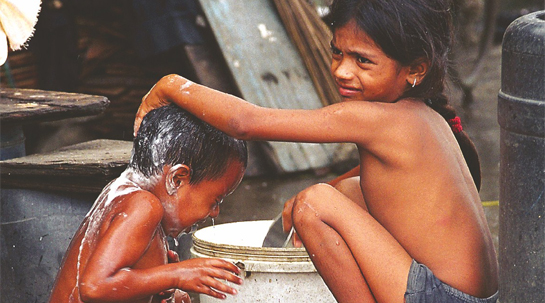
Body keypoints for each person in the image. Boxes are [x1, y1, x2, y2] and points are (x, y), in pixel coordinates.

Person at [133, 0, 499, 302]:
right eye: (337, 53)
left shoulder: (378, 120)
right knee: (345, 191)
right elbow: (372, 188)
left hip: (441, 297)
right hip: (469, 296)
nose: (342, 70)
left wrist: (171, 86)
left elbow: (245, 122)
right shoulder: (425, 117)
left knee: (315, 203)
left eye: (362, 60)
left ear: (414, 69)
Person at [49, 104, 247, 303]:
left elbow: (119, 287)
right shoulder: (144, 206)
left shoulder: (123, 193)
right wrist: (176, 274)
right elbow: (94, 287)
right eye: (215, 200)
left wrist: (164, 286)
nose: (215, 212)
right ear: (177, 179)